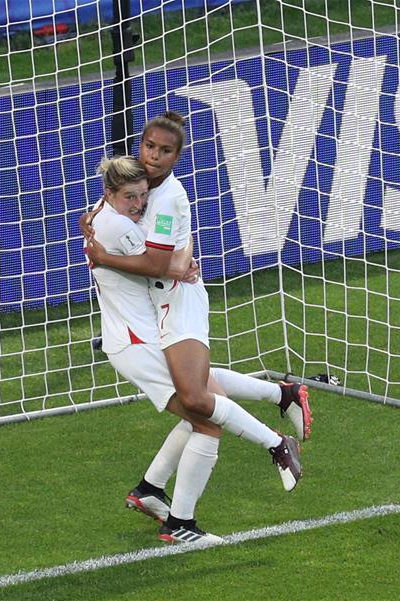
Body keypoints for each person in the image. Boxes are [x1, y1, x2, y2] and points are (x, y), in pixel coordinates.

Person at [86, 115, 311, 540]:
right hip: (143, 330)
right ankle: (271, 441)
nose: (154, 157)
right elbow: (161, 263)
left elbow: (162, 261)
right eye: (149, 147)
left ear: (177, 156)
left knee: (203, 402)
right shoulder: (124, 208)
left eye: (164, 150)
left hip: (175, 305)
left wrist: (174, 259)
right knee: (205, 410)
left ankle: (158, 495)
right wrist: (173, 262)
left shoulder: (158, 197)